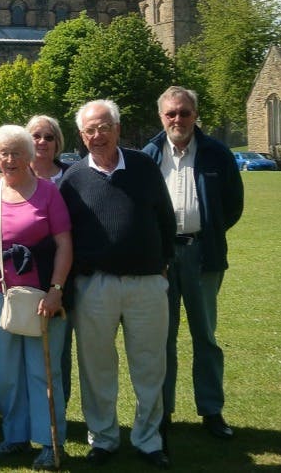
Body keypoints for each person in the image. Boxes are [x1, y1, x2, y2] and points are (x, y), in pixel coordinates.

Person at [59, 100, 175, 469]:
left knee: (150, 365)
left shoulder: (143, 166)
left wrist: (163, 264)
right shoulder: (73, 178)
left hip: (146, 285)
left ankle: (148, 439)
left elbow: (166, 220)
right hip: (95, 287)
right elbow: (64, 236)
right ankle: (104, 438)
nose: (97, 136)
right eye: (90, 130)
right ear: (81, 135)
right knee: (96, 367)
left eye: (104, 127)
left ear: (118, 129)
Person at [0, 126, 72, 470]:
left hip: (39, 297)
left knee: (42, 372)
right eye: (4, 153)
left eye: (17, 153)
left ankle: (51, 440)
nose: (10, 160)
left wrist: (56, 291)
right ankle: (15, 436)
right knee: (6, 372)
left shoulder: (49, 193)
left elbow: (65, 244)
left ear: (29, 156)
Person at [142, 87, 244, 443]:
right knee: (162, 338)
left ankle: (211, 410)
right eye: (171, 114)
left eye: (184, 113)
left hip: (203, 254)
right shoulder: (150, 155)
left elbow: (232, 205)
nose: (178, 120)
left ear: (195, 114)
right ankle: (163, 411)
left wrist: (209, 232)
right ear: (161, 116)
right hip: (162, 259)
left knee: (206, 336)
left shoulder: (217, 153)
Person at [26, 114, 73, 407]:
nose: (42, 142)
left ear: (58, 143)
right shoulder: (14, 175)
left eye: (49, 137)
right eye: (36, 136)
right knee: (24, 345)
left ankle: (59, 409)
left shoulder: (72, 176)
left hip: (64, 273)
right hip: (24, 274)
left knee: (59, 349)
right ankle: (30, 411)